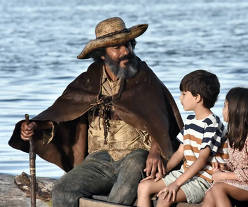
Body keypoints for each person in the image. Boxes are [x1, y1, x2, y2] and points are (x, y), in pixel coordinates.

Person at [8, 17, 184, 207]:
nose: (126, 51)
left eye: (128, 45)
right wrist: (36, 126)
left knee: (123, 189)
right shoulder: (89, 81)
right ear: (102, 54)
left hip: (137, 155)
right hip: (99, 158)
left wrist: (156, 151)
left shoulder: (144, 78)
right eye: (117, 48)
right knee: (62, 190)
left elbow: (162, 118)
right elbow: (63, 111)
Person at [137, 70, 229, 207]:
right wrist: (163, 172)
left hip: (204, 180)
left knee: (165, 197)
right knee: (144, 186)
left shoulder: (212, 124)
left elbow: (202, 160)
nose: (180, 98)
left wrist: (176, 184)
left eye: (184, 94)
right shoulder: (191, 120)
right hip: (185, 173)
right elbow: (180, 152)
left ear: (197, 97)